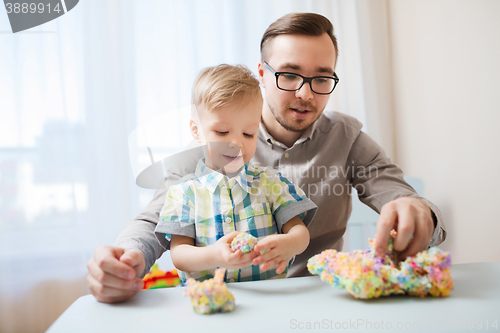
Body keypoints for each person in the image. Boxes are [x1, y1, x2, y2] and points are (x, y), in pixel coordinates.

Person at [87, 13, 447, 303]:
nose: (305, 93)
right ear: (262, 74)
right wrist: (124, 259)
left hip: (315, 299)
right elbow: (153, 224)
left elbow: (404, 199)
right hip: (230, 300)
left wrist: (420, 213)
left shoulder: (348, 139)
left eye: (321, 79)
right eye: (290, 74)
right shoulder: (209, 143)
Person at [155, 64, 316, 283]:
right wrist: (214, 255)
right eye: (222, 132)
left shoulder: (271, 183)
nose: (237, 143)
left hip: (269, 298)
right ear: (196, 131)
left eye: (248, 134)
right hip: (209, 298)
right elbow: (180, 255)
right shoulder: (183, 193)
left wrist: (289, 244)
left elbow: (300, 233)